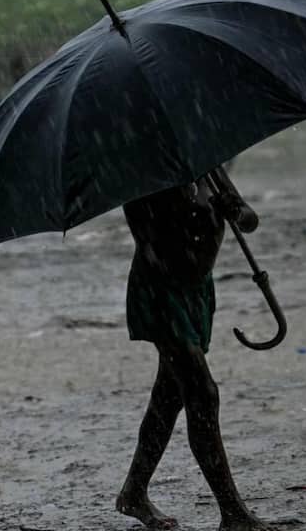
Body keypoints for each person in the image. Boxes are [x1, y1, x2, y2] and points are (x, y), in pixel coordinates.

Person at [117, 167, 275, 531]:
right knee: (202, 393)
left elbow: (248, 218)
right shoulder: (138, 175)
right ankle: (233, 512)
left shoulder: (207, 163)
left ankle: (133, 493)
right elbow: (148, 235)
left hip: (196, 291)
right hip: (162, 292)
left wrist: (233, 210)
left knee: (170, 394)